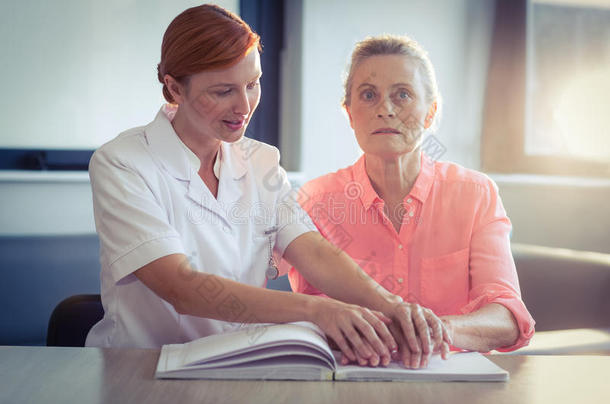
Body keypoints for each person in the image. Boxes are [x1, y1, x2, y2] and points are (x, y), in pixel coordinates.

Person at [85, 5, 451, 369]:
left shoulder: (260, 161)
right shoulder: (123, 163)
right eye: (224, 91)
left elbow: (314, 252)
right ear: (175, 88)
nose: (244, 106)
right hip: (140, 370)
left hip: (240, 367)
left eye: (252, 84)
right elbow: (179, 286)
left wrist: (394, 307)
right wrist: (316, 310)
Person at [285, 35, 535, 364]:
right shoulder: (314, 201)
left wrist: (434, 330)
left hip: (455, 383)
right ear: (349, 114)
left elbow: (508, 317)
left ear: (430, 113)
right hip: (351, 381)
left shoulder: (476, 193)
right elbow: (309, 316)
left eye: (402, 95)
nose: (385, 110)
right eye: (368, 95)